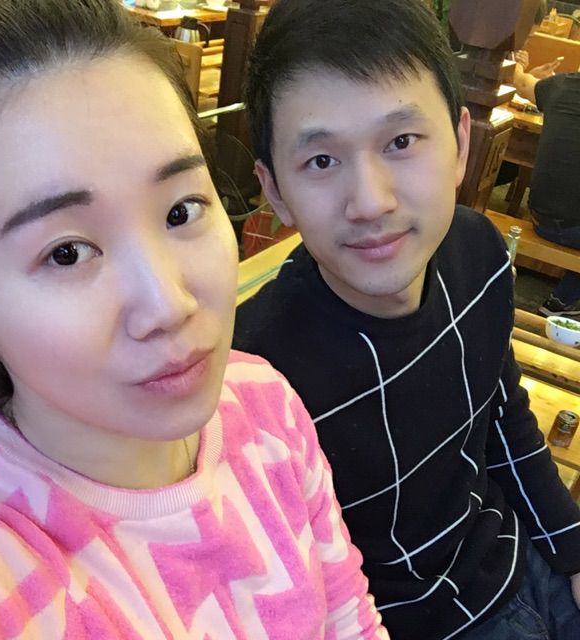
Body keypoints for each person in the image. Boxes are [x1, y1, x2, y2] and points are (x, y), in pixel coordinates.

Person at [0, 1, 391, 638]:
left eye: (181, 211)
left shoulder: (264, 407)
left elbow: (354, 622)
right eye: (67, 253)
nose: (168, 304)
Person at [234, 0, 580, 638]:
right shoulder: (253, 375)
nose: (371, 202)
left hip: (518, 564)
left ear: (460, 144)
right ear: (275, 190)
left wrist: (573, 550)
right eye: (321, 161)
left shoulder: (478, 252)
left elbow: (502, 418)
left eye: (401, 142)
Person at [514, 56, 580, 317]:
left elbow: (521, 83)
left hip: (540, 217)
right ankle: (563, 302)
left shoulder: (561, 85)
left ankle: (561, 302)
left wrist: (520, 64)